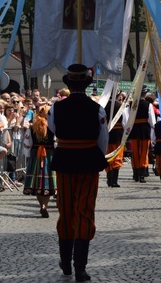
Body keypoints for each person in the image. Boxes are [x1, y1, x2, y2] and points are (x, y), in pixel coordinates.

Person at [48, 64, 108, 282]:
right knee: (84, 212)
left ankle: (66, 262)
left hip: (65, 161)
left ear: (69, 83)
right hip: (88, 161)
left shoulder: (57, 107)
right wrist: (96, 156)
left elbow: (53, 129)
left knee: (65, 211)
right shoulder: (97, 108)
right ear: (86, 84)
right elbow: (102, 139)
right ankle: (79, 267)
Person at [23, 104, 56, 217]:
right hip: (49, 154)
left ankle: (41, 205)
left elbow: (28, 143)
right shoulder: (52, 126)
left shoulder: (32, 127)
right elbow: (56, 142)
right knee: (46, 183)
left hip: (36, 155)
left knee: (37, 183)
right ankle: (45, 206)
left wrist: (28, 155)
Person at [128, 93, 154, 183]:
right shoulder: (148, 104)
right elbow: (152, 120)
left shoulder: (132, 104)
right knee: (144, 152)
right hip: (144, 130)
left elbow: (128, 118)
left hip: (134, 129)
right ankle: (142, 174)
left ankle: (135, 173)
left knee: (135, 152)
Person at [105, 94, 126, 188]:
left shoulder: (103, 106)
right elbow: (124, 122)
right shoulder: (120, 106)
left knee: (108, 155)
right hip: (118, 134)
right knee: (117, 156)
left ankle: (109, 179)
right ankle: (114, 181)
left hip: (107, 134)